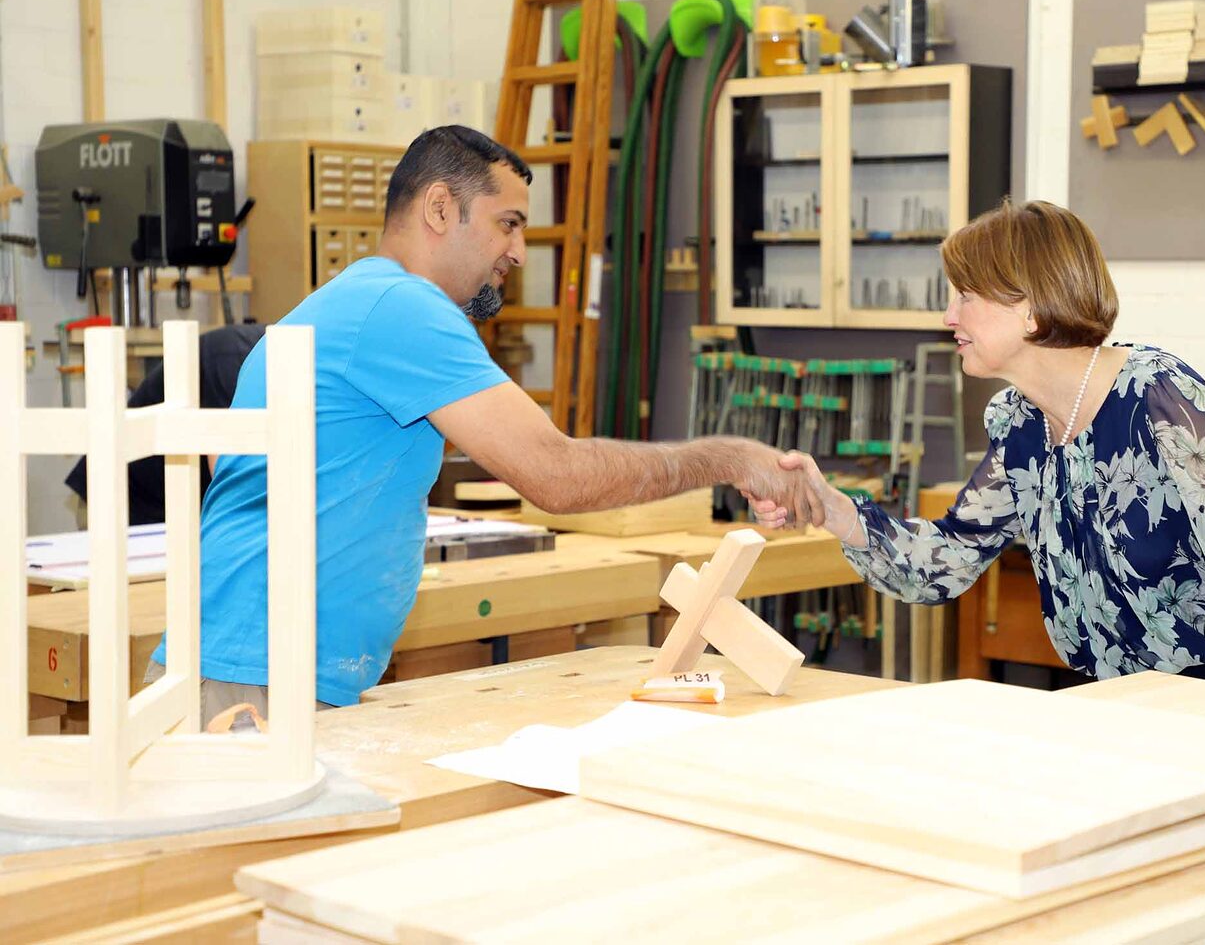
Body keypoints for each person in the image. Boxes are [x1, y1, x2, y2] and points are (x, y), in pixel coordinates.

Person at [147, 125, 820, 717]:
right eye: (508, 223)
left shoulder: (345, 302)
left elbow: (227, 468)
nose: (520, 250)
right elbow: (556, 478)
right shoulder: (403, 308)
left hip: (246, 661)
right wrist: (728, 458)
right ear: (441, 207)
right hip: (255, 678)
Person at [751, 198, 1205, 701]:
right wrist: (833, 509)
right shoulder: (1020, 424)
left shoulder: (1160, 398)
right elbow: (948, 560)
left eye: (965, 296)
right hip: (1116, 706)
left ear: (1030, 307)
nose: (948, 315)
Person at [64, 323, 266, 525]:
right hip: (122, 507)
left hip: (178, 514)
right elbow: (228, 477)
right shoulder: (233, 357)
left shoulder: (262, 361)